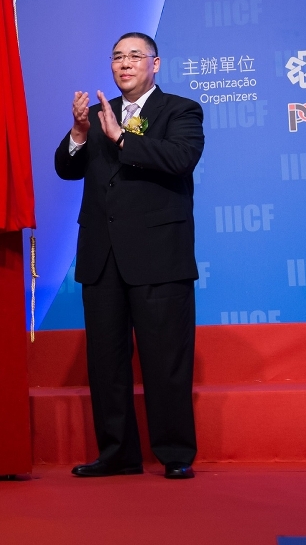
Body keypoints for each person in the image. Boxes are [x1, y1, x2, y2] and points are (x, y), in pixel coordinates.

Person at [54, 32, 205, 479]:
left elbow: (180, 158)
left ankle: (175, 454)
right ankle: (117, 453)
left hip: (159, 255)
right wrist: (80, 134)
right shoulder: (102, 115)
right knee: (107, 361)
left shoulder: (180, 110)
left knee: (166, 359)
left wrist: (121, 139)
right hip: (103, 255)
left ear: (155, 64)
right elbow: (66, 168)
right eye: (117, 57)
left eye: (135, 56)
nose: (125, 64)